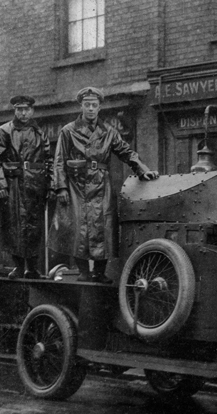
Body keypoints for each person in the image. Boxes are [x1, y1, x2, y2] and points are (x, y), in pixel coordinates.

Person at [49, 87, 158, 283]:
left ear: (99, 108)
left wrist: (142, 169)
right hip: (76, 185)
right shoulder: (68, 131)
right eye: (87, 105)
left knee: (104, 227)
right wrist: (61, 187)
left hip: (101, 185)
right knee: (78, 228)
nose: (90, 109)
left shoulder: (109, 132)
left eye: (94, 105)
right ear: (81, 106)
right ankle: (82, 272)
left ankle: (99, 272)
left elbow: (126, 152)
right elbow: (59, 160)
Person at [0, 95, 53, 279]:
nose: (23, 113)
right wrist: (0, 185)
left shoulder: (40, 133)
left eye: (27, 109)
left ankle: (31, 268)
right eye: (19, 109)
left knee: (34, 226)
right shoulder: (3, 131)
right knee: (14, 226)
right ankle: (18, 266)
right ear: (15, 110)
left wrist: (50, 186)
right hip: (13, 185)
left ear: (32, 111)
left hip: (35, 186)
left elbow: (49, 161)